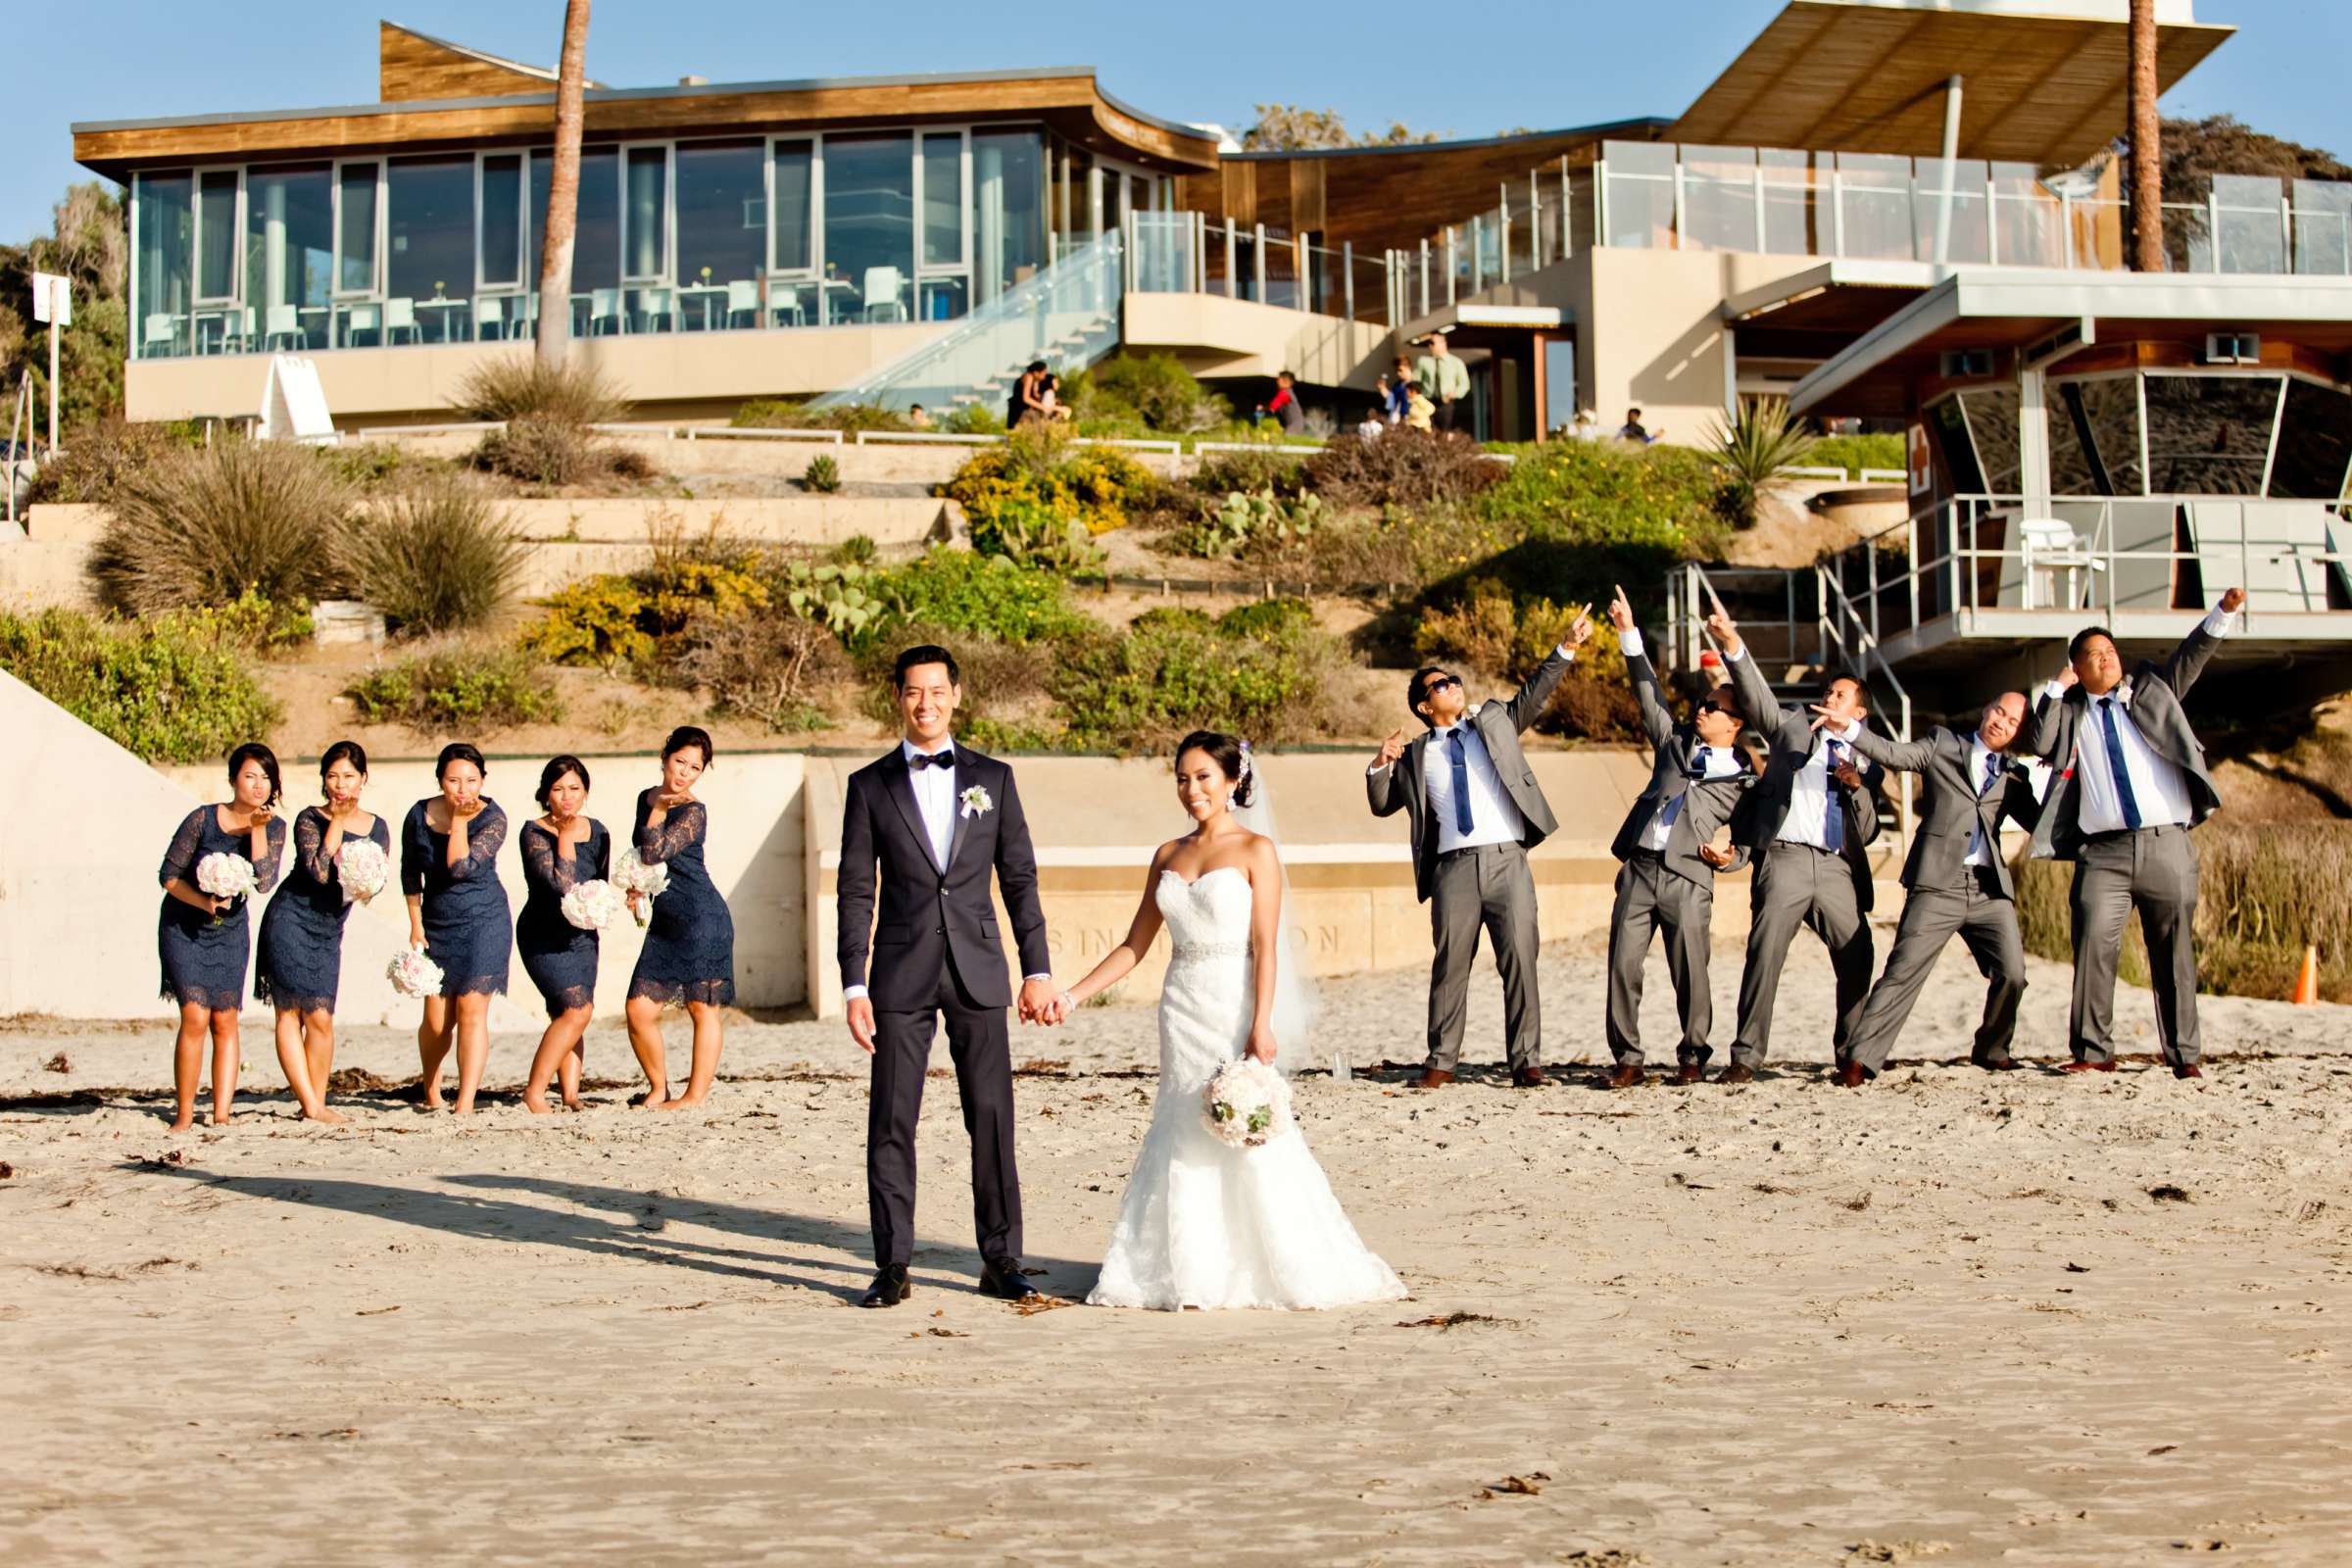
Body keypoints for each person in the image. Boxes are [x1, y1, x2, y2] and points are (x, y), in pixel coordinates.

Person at [1042, 732, 1406, 1311]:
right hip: (1181, 1005)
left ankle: (1267, 1263)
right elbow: (1135, 944)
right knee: (1181, 1123)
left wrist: (1261, 1023)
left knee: (1244, 1124)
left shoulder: (1256, 850)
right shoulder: (1167, 854)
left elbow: (1266, 945)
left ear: (1233, 780)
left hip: (1232, 1003)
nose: (1192, 790)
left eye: (1204, 777)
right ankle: (1188, 1266)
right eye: (1183, 778)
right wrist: (1073, 994)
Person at [838, 645, 1054, 1309]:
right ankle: (892, 1265)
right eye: (912, 691)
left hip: (979, 971)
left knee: (990, 1118)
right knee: (892, 1121)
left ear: (956, 695)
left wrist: (1036, 968)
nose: (924, 702)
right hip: (899, 977)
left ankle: (1001, 1259)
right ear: (897, 699)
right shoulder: (868, 786)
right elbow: (854, 889)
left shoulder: (995, 777)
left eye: (936, 690)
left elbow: (1017, 877)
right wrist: (854, 983)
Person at [2019, 589, 2244, 1079]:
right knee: (2094, 945)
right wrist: (2058, 689)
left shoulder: (2151, 691)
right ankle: (2093, 1052)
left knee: (2174, 955)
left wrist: (2222, 613)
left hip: (2167, 844)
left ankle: (2184, 1057)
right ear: (2078, 667)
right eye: (2095, 655)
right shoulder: (2071, 712)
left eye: (2111, 651)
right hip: (2104, 854)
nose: (2108, 658)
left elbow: (2191, 656)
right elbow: (2039, 742)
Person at [1368, 611, 1596, 1088]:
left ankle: (1526, 1063)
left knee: (1519, 960)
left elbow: (1534, 695)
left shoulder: (1492, 721)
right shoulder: (1414, 755)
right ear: (1424, 707)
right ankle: (1441, 1063)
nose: (1452, 684)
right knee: (1450, 966)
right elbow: (1383, 804)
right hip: (1452, 869)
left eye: (1453, 679)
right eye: (1440, 684)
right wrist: (1378, 764)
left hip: (1506, 861)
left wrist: (1566, 647)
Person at [1824, 693, 2040, 1086]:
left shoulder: (2014, 775)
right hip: (1938, 883)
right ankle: (1860, 1060)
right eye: (1999, 712)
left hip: (1989, 888)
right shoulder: (1943, 744)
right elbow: (1893, 754)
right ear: (1986, 708)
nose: (2000, 722)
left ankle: (1992, 1050)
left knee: (2013, 973)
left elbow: (2042, 824)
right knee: (1903, 972)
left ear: (2017, 733)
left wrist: (2066, 773)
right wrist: (1849, 728)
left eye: (2011, 722)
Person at [1713, 607, 1884, 1082]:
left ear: (1859, 713)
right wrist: (1732, 643)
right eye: (1829, 691)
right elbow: (1759, 699)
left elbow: (1867, 832)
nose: (1830, 697)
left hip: (1835, 868)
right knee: (1765, 952)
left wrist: (1856, 787)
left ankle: (1851, 1053)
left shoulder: (1870, 759)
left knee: (1857, 954)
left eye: (1841, 695)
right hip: (1785, 857)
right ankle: (1746, 1057)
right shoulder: (1792, 729)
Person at [1598, 589, 1753, 1088]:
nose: (1701, 709)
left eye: (1713, 707)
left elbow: (1751, 839)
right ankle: (1627, 1058)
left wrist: (1729, 859)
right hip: (1640, 868)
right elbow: (1648, 695)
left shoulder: (1747, 779)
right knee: (1623, 965)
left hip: (1690, 877)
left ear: (1736, 723)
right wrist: (1628, 634)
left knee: (1691, 972)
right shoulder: (1673, 742)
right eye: (1703, 703)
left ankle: (1693, 1055)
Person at [255, 741, 388, 1124]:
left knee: (322, 1017)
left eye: (348, 776)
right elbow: (318, 871)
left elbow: (375, 883)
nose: (340, 784)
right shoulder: (309, 818)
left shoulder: (378, 827)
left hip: (329, 931)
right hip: (291, 920)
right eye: (332, 776)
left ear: (364, 778)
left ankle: (315, 1100)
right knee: (290, 1013)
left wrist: (367, 885)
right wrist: (340, 822)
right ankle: (312, 1105)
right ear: (323, 781)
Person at [157, 743, 287, 1130]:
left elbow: (264, 882)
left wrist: (259, 831)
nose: (258, 785)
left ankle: (221, 1113)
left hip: (230, 934)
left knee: (226, 1021)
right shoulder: (203, 819)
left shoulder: (275, 828)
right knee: (195, 1017)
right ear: (233, 779)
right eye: (250, 776)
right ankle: (183, 1114)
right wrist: (203, 902)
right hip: (185, 927)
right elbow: (168, 876)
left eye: (266, 778)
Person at [625, 726, 736, 1109]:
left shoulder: (693, 810)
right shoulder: (646, 797)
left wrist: (661, 808)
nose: (685, 773)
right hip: (666, 923)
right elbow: (641, 853)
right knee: (638, 1010)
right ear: (665, 756)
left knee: (702, 1008)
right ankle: (659, 1088)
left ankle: (695, 1096)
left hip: (702, 917)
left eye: (695, 767)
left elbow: (657, 851)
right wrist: (635, 886)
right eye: (680, 762)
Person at [402, 743, 511, 1114]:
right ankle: (431, 1089)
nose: (462, 789)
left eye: (471, 780)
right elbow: (409, 872)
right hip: (436, 923)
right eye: (453, 780)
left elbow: (459, 867)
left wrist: (460, 821)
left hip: (485, 920)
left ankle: (465, 1100)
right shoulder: (418, 814)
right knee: (435, 1022)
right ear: (440, 780)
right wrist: (415, 925)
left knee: (471, 1011)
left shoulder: (494, 818)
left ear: (483, 780)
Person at [517, 756, 610, 1114]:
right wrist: (566, 837)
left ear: (586, 791)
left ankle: (570, 1093)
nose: (567, 797)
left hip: (583, 936)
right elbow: (562, 883)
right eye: (558, 789)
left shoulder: (599, 830)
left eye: (575, 788)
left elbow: (599, 882)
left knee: (569, 1013)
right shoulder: (534, 831)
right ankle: (534, 1092)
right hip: (543, 935)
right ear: (546, 793)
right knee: (577, 1009)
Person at [1412, 333, 1470, 431]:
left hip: (1445, 403)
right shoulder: (1423, 361)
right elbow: (1416, 381)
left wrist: (1454, 393)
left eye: (1432, 343)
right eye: (1428, 343)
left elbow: (1464, 384)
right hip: (1427, 402)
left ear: (1443, 344)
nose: (1429, 346)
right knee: (1426, 431)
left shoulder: (1456, 362)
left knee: (1444, 432)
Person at [1007, 360, 1050, 428]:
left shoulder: (1034, 380)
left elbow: (1035, 395)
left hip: (1020, 410)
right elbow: (1026, 398)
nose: (1045, 376)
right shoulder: (1028, 377)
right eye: (1043, 373)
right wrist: (1043, 407)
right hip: (1019, 411)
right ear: (1036, 372)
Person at [1266, 369, 1305, 435]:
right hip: (1295, 424)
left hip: (1294, 426)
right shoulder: (1289, 392)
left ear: (1285, 381)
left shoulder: (1284, 393)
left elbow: (1272, 407)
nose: (1277, 382)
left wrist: (1262, 409)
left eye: (1278, 380)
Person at [1377, 355, 1412, 424]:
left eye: (1400, 370)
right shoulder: (1397, 384)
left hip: (1411, 417)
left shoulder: (1415, 383)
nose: (1398, 373)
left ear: (1408, 367)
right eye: (1396, 371)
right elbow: (1391, 400)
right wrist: (1383, 389)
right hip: (1397, 418)